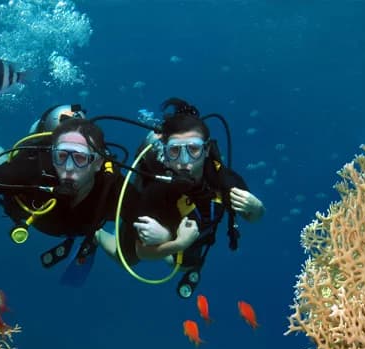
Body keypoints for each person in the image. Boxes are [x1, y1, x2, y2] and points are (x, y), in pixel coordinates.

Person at [0, 116, 131, 281]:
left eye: (81, 158)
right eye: (61, 156)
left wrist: (165, 246)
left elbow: (149, 219)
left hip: (83, 223)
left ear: (98, 162)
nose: (69, 168)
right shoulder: (33, 170)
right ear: (52, 155)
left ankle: (95, 234)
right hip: (23, 202)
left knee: (98, 229)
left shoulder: (113, 188)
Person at [96, 97, 264, 298]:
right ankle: (96, 233)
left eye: (193, 149)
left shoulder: (224, 179)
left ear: (207, 149)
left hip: (190, 233)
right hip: (161, 224)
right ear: (165, 153)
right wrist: (177, 243)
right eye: (175, 151)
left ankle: (170, 244)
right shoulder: (155, 190)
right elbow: (141, 252)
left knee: (185, 265)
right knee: (126, 258)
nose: (185, 163)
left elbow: (253, 216)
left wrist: (257, 207)